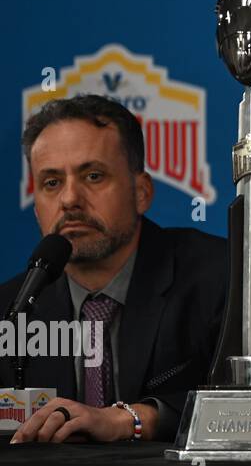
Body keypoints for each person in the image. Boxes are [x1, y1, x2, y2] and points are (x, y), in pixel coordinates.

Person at [1, 96, 227, 443]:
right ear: (36, 208)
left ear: (141, 192)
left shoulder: (218, 276)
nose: (69, 199)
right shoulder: (12, 309)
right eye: (51, 183)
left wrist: (135, 419)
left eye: (93, 176)